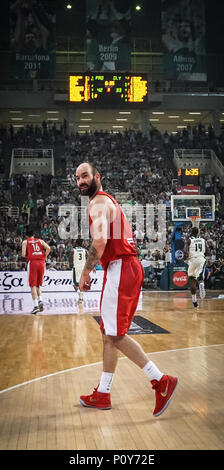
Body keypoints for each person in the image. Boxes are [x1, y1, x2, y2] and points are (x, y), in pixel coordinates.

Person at [75, 162, 178, 417]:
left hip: (121, 268)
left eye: (85, 176)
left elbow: (99, 241)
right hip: (123, 268)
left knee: (116, 335)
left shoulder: (98, 202)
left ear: (97, 176)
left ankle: (160, 380)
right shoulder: (107, 201)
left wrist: (86, 271)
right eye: (77, 178)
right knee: (108, 333)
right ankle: (103, 393)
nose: (80, 181)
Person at [22, 227, 51, 314]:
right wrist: (44, 257)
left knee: (33, 285)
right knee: (38, 284)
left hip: (33, 262)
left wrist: (30, 256)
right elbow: (49, 248)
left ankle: (35, 306)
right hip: (42, 263)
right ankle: (40, 300)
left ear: (26, 235)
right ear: (33, 235)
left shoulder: (25, 242)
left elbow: (23, 254)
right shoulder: (40, 241)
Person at [184, 226, 209, 308]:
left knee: (192, 280)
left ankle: (195, 302)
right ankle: (201, 284)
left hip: (192, 261)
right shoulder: (203, 240)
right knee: (200, 277)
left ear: (191, 232)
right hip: (201, 259)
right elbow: (208, 252)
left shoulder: (189, 240)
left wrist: (185, 257)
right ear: (198, 232)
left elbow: (185, 251)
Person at [69, 239, 87, 304]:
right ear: (82, 243)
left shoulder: (73, 250)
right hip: (83, 268)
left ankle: (79, 295)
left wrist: (70, 265)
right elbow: (88, 259)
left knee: (75, 284)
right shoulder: (85, 250)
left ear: (76, 243)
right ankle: (81, 297)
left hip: (76, 268)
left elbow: (70, 259)